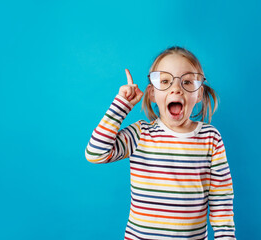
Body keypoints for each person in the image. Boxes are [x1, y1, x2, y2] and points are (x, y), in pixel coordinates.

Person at [85, 46, 236, 240]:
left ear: (199, 93)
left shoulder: (210, 138)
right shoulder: (140, 134)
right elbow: (96, 153)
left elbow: (221, 200)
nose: (176, 88)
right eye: (164, 81)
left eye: (188, 82)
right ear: (152, 94)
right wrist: (121, 105)